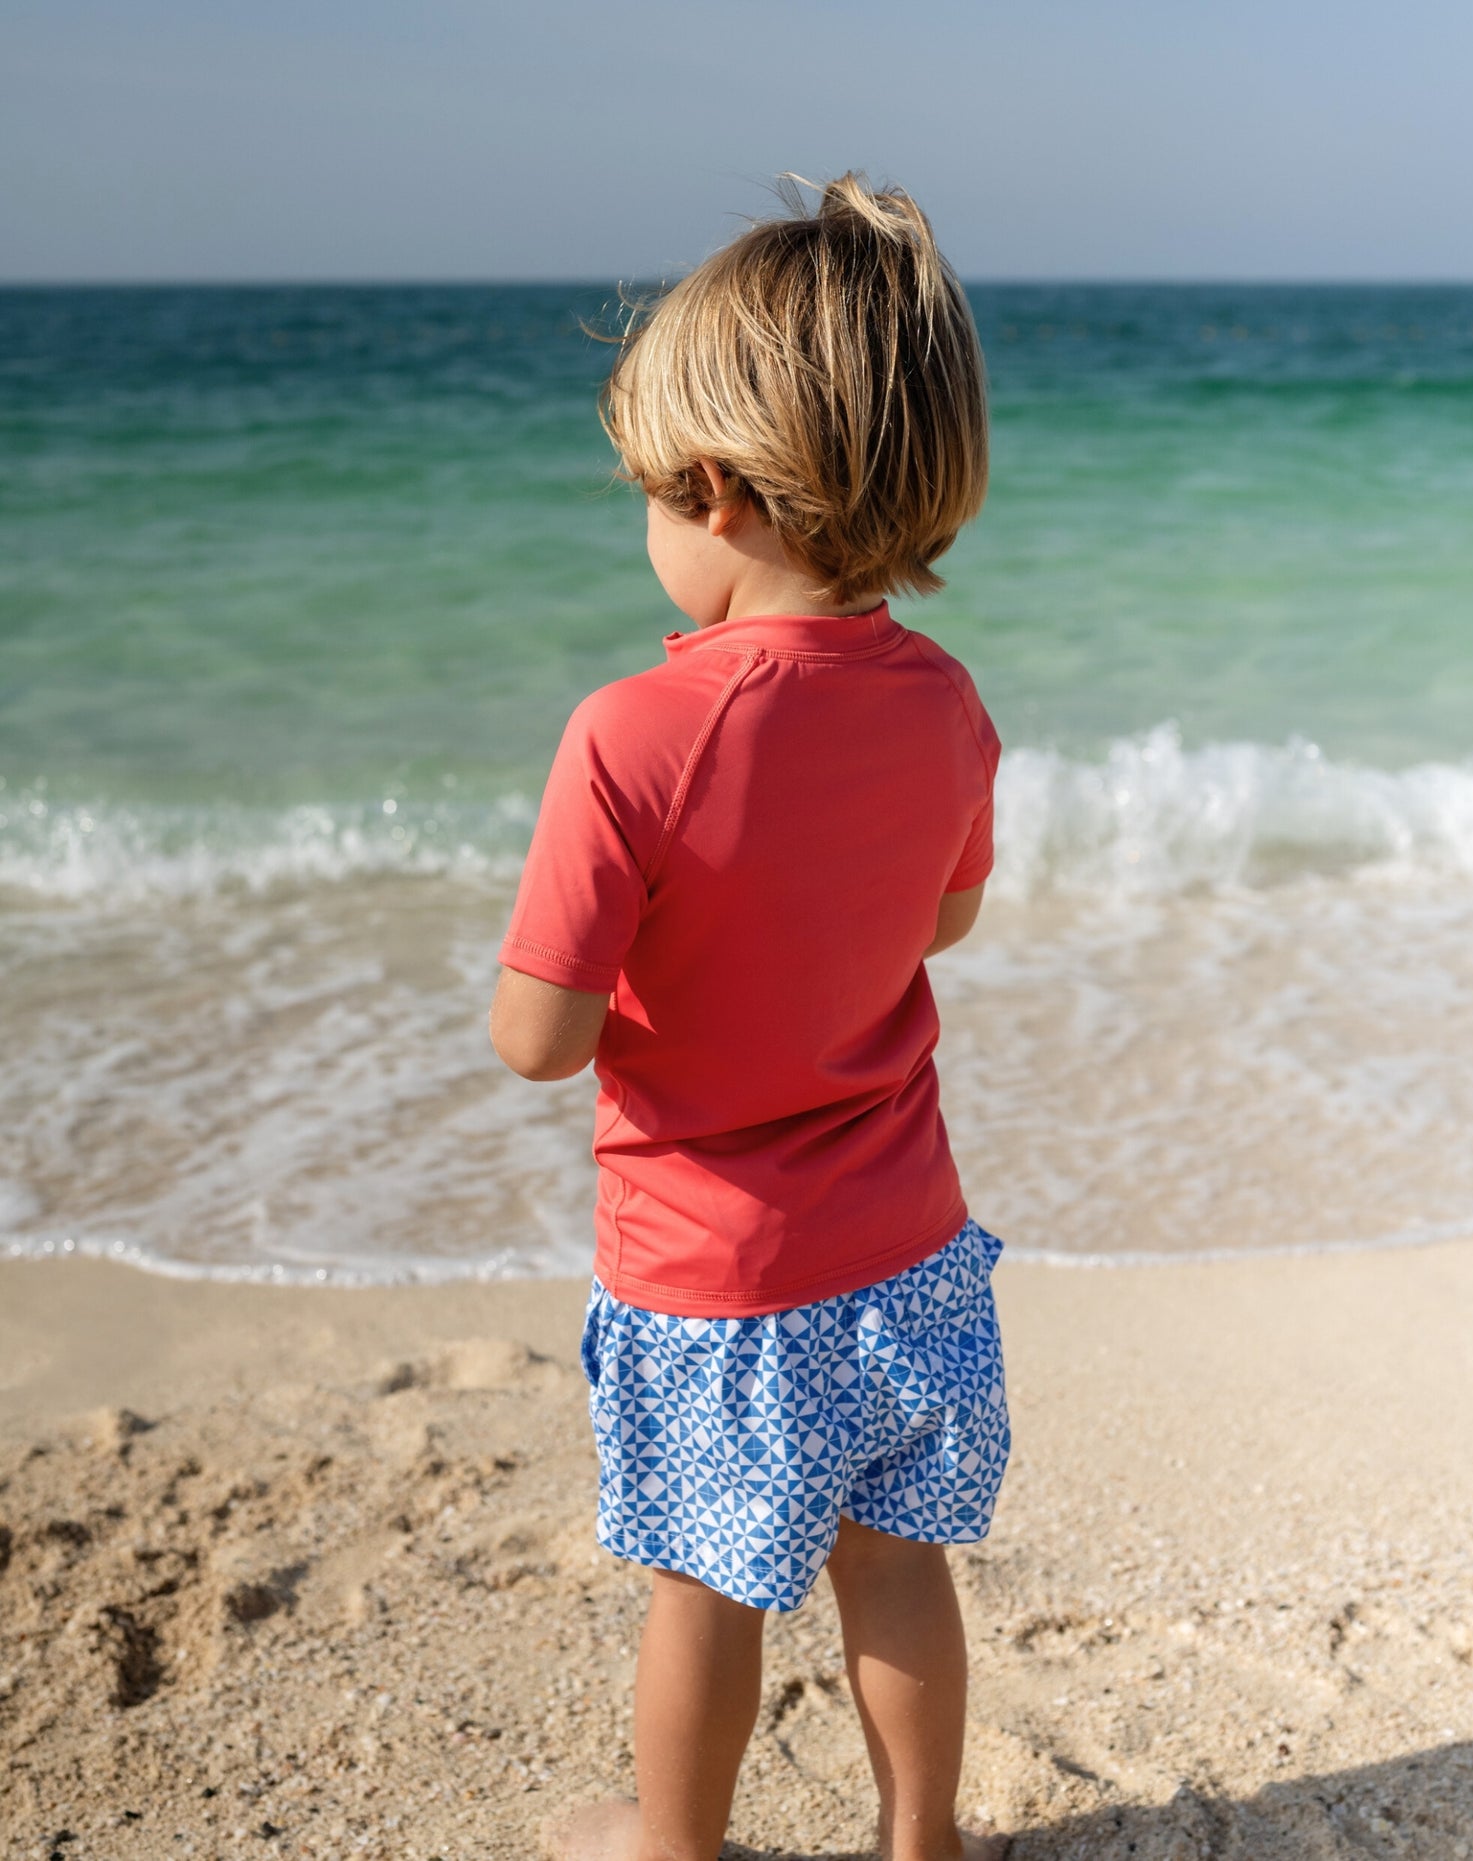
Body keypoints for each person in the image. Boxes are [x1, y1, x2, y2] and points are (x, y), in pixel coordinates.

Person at [491, 172, 1010, 1861]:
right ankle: (920, 1838)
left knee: (705, 1583)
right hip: (908, 1239)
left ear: (716, 493)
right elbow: (943, 916)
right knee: (890, 1554)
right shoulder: (943, 699)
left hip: (716, 1271)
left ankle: (673, 1846)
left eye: (650, 496)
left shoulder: (630, 734)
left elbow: (541, 1036)